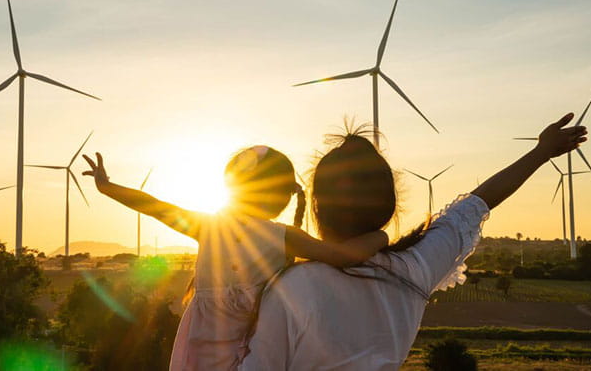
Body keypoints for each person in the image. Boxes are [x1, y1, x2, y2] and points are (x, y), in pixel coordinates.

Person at [239, 113, 587, 370]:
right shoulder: (412, 270)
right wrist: (541, 152)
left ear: (318, 206)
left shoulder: (292, 288)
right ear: (388, 204)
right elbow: (477, 204)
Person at [81, 145, 389, 370]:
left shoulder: (209, 226)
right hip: (248, 355)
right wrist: (381, 236)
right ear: (282, 196)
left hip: (201, 354)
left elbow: (152, 205)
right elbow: (341, 256)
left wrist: (106, 187)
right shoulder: (283, 237)